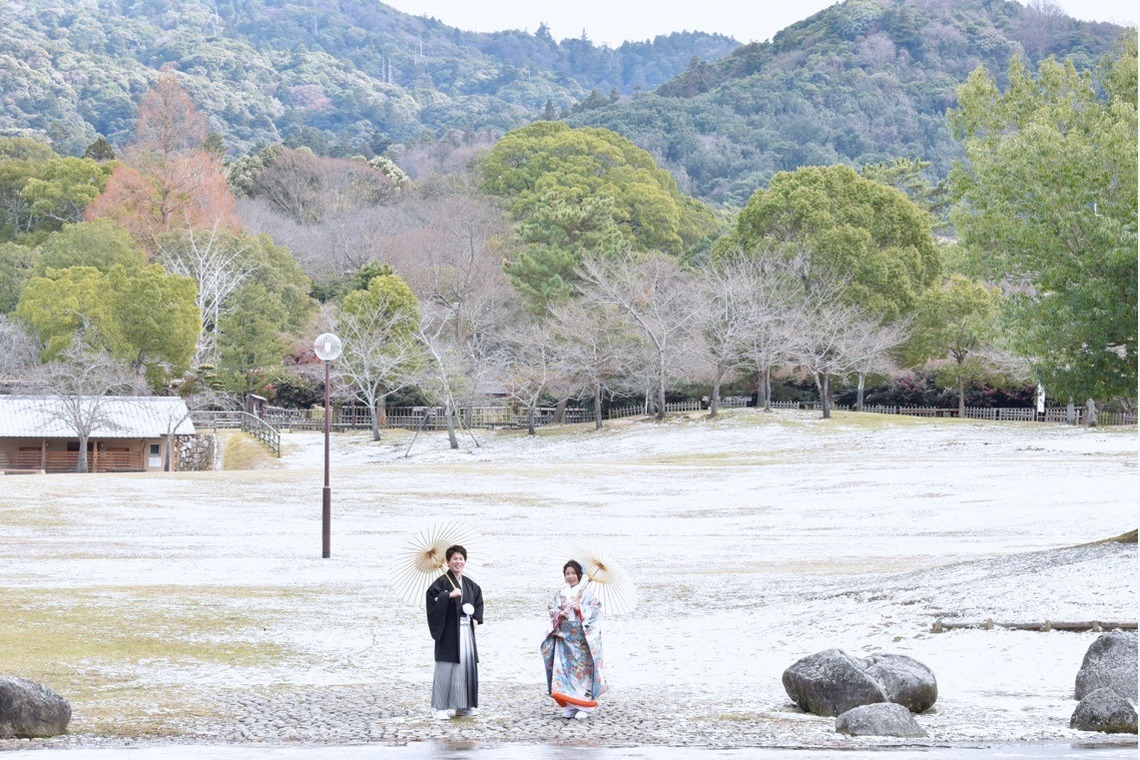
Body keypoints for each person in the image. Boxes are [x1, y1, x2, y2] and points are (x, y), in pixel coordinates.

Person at [540, 559, 606, 719]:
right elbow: (551, 607)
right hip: (564, 636)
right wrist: (559, 613)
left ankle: (585, 706)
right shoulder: (561, 593)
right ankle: (570, 705)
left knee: (581, 672)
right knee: (563, 670)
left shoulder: (587, 594)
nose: (570, 576)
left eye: (573, 573)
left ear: (579, 575)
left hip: (581, 639)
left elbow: (596, 609)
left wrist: (580, 608)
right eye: (567, 573)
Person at [426, 544, 483, 719]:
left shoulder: (470, 585)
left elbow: (479, 601)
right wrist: (447, 596)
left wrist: (476, 618)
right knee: (446, 667)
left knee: (466, 667)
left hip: (466, 631)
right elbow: (431, 598)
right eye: (454, 559)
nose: (458, 562)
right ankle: (439, 707)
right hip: (449, 631)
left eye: (461, 558)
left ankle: (463, 705)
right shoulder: (442, 582)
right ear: (448, 562)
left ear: (465, 561)